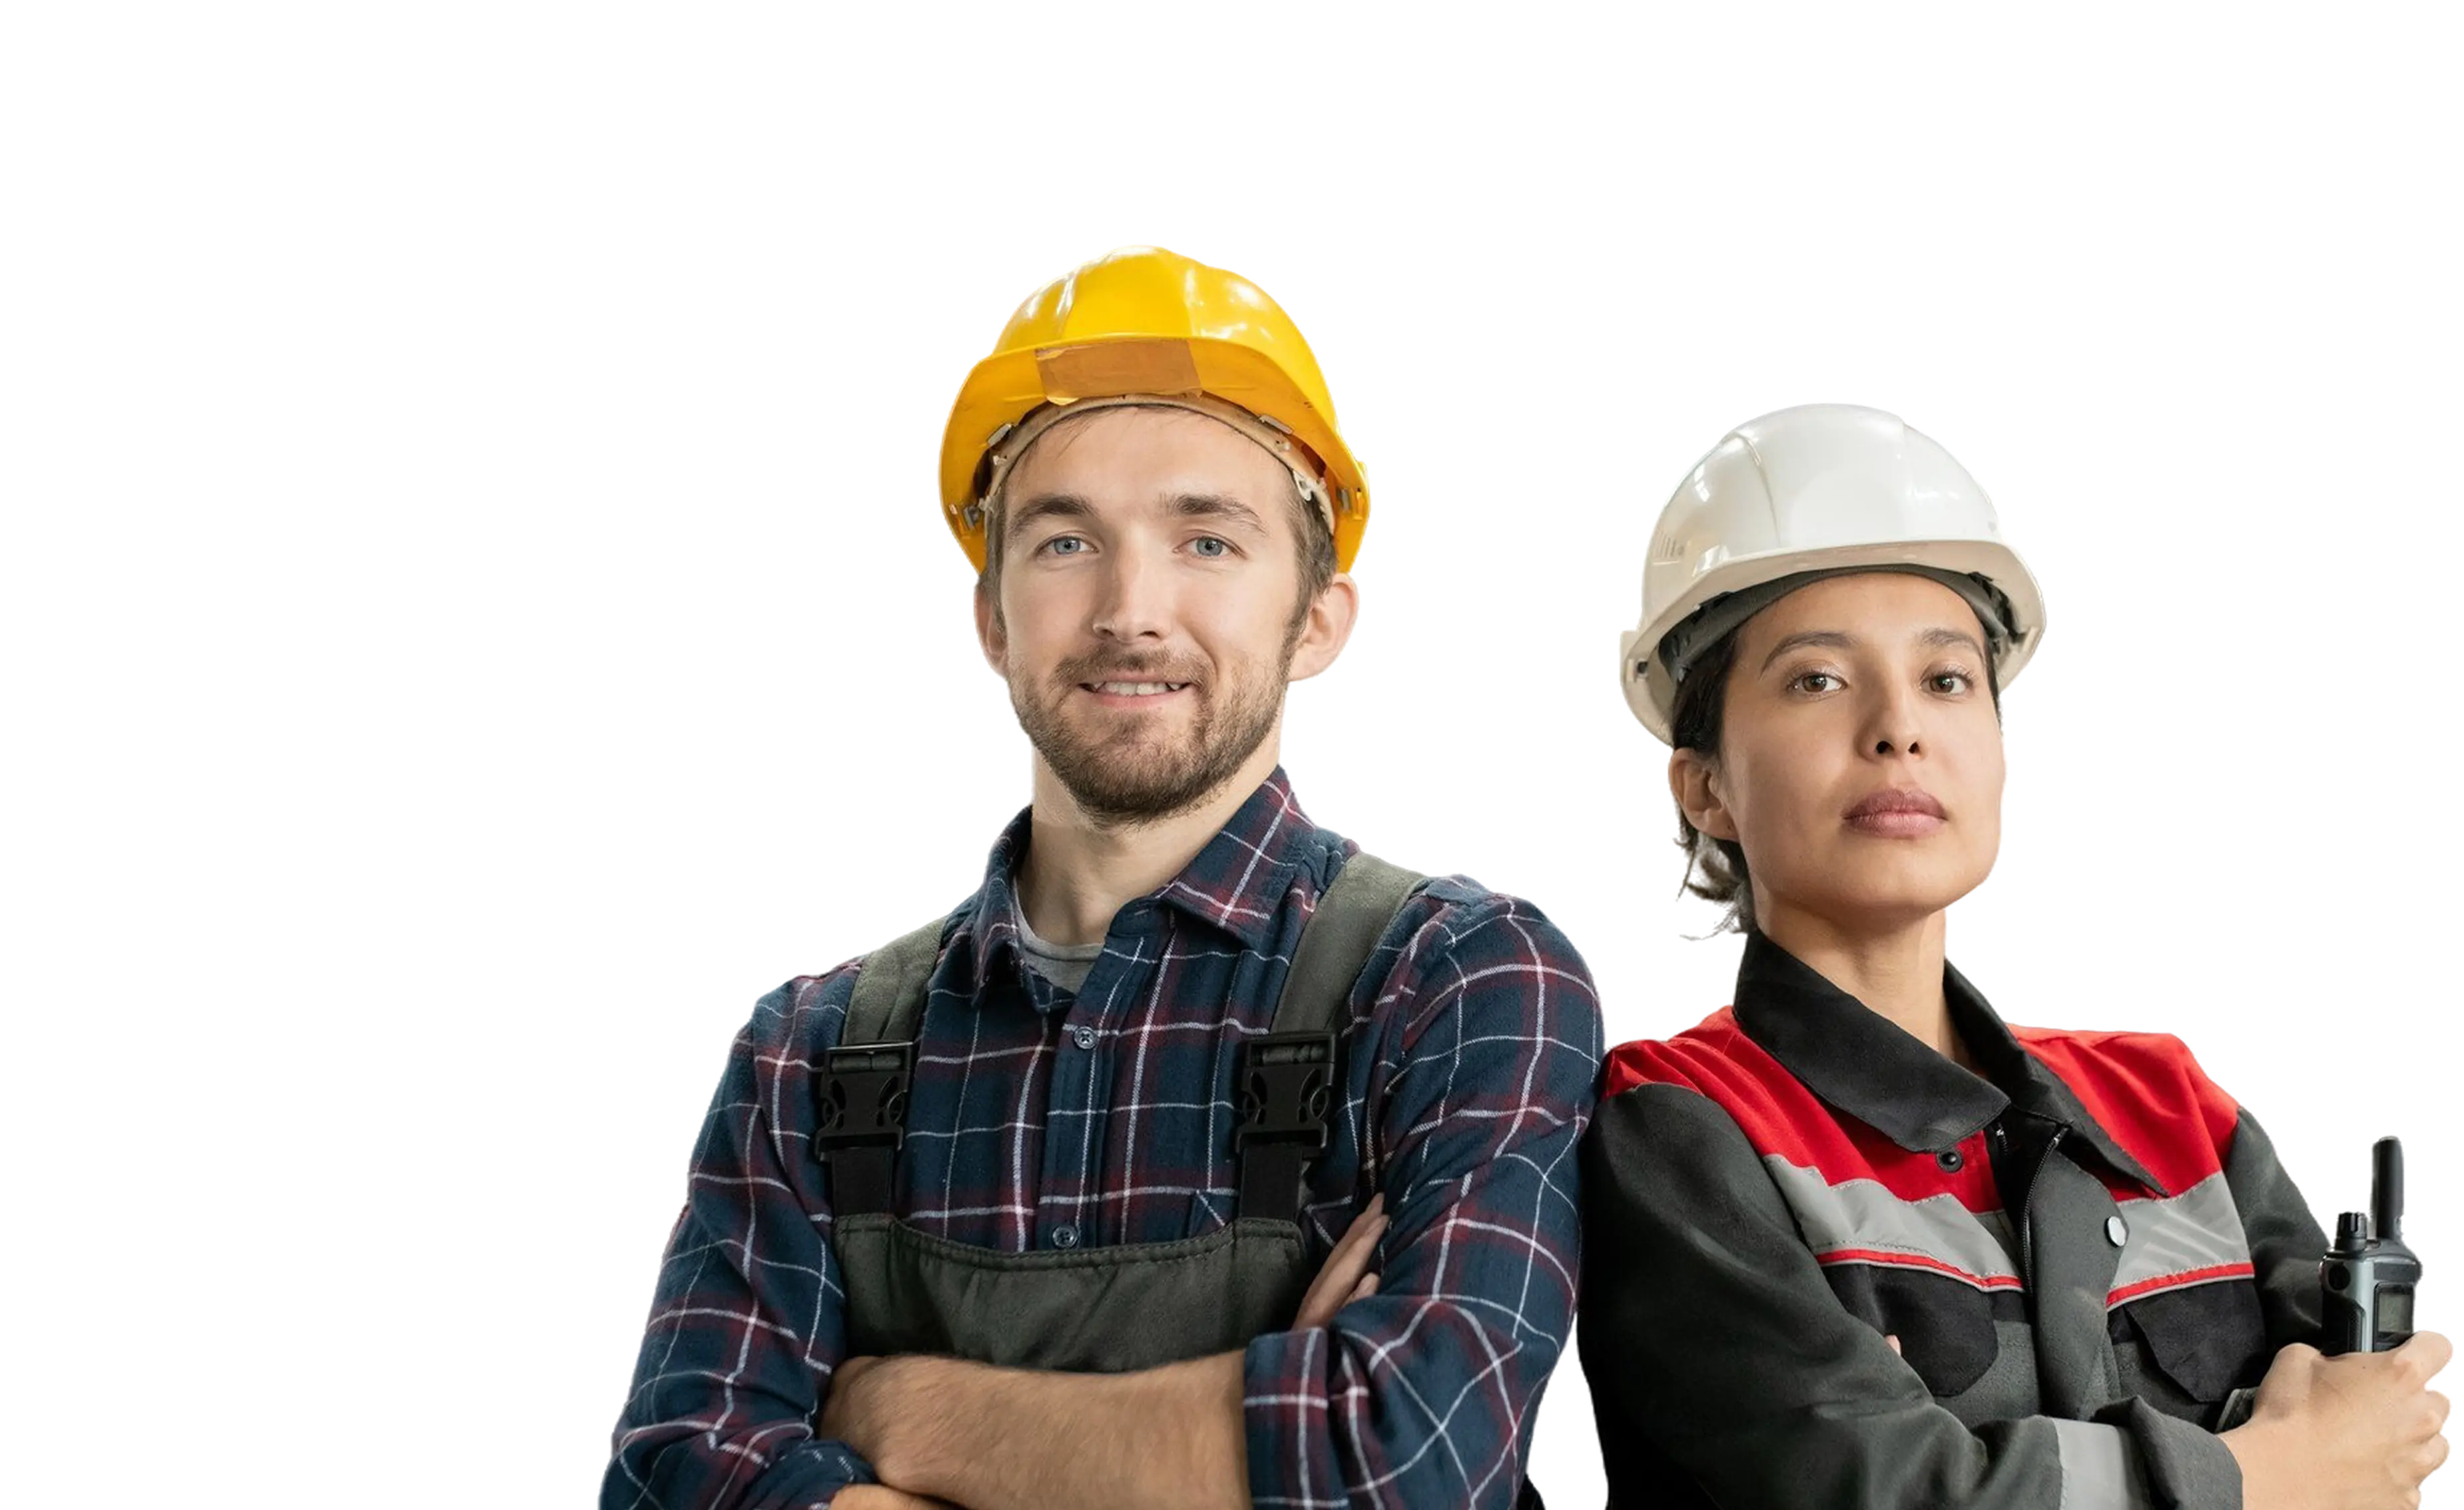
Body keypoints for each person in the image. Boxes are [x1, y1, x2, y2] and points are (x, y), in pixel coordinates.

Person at [598, 242, 1606, 1510]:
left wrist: (902, 1411)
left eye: (1208, 542)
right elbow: (673, 1477)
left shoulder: (1453, 981)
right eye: (1068, 539)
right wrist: (1243, 1440)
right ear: (990, 615)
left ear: (1321, 618)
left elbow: (1409, 1457)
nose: (1132, 611)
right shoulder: (812, 1050)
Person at [1576, 400, 2454, 1509]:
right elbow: (1875, 1491)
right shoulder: (1677, 1133)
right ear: (1704, 786)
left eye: (1946, 680)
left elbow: (2374, 1446)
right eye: (1818, 679)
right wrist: (2262, 1474)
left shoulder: (2174, 1110)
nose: (1899, 728)